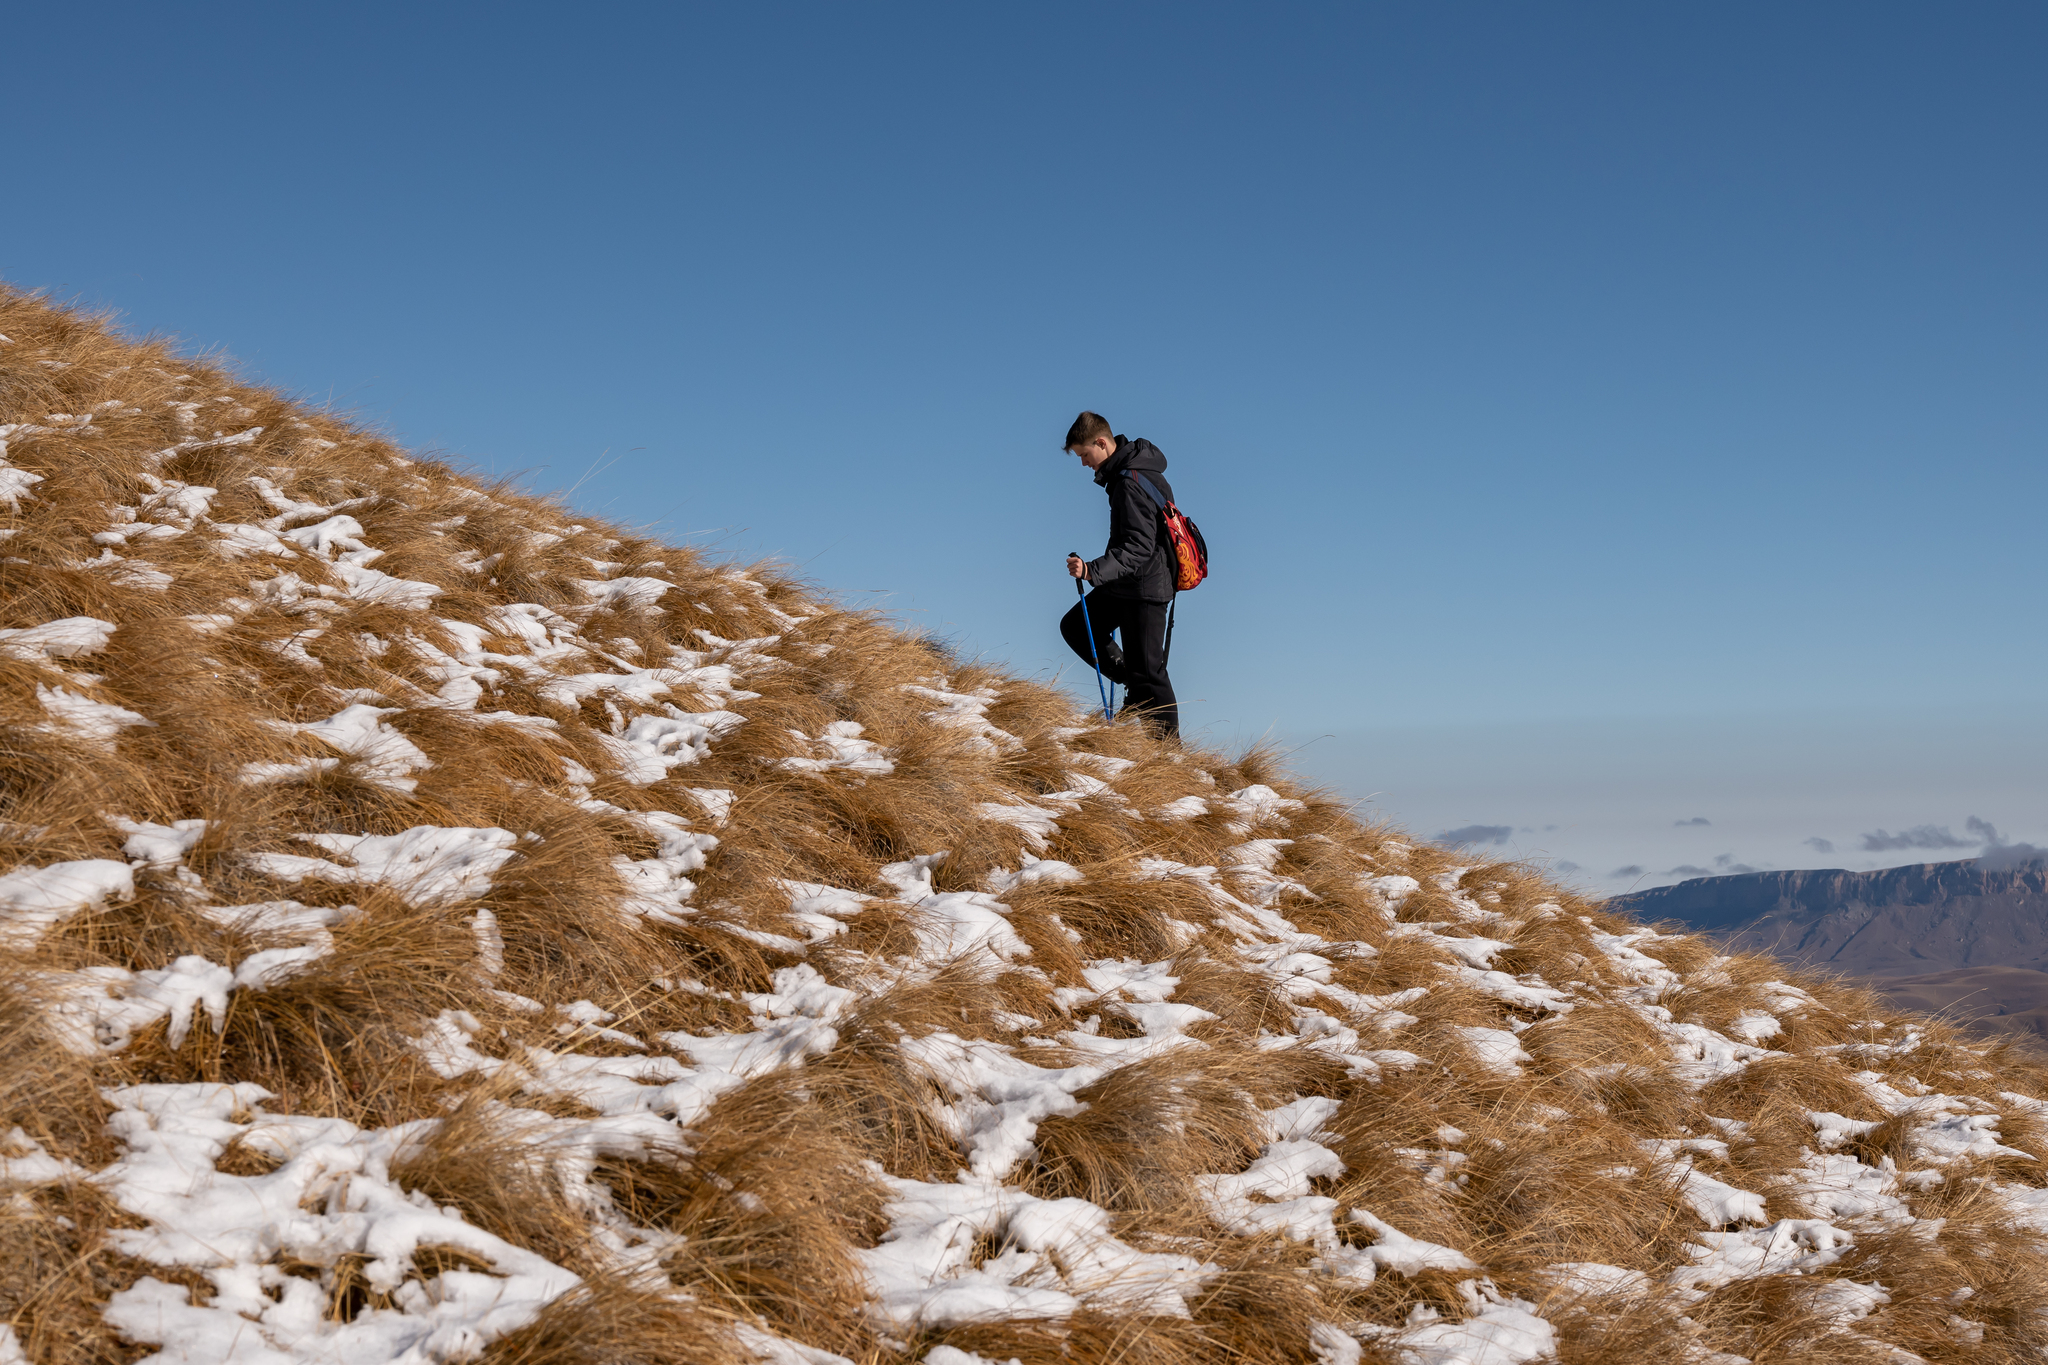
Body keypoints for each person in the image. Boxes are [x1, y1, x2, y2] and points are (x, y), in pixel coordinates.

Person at [1060, 410, 1179, 740]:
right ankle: (1136, 691)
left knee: (1150, 675)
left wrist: (1091, 570)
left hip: (1146, 589)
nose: (1084, 463)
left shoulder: (1130, 482)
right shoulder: (1132, 474)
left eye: (1085, 454)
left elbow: (1138, 548)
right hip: (1127, 583)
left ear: (1101, 442)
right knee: (1077, 626)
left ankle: (1170, 756)